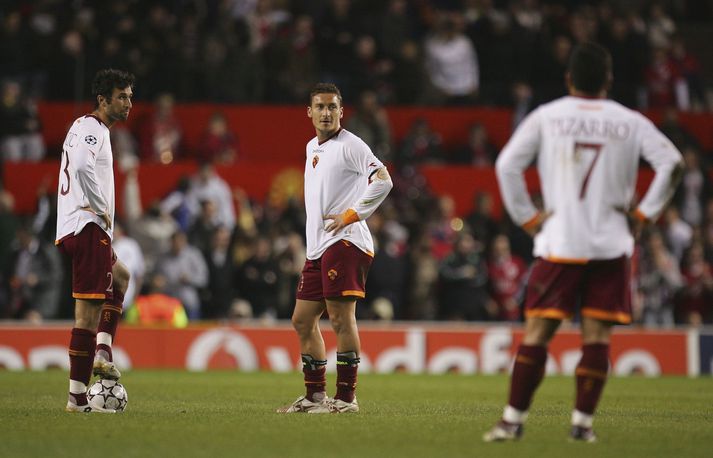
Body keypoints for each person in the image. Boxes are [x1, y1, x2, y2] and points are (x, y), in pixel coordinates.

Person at [484, 43, 684, 442]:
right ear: (608, 80)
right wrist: (645, 214)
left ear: (569, 78)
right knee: (597, 337)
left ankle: (511, 420)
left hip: (560, 241)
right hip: (612, 245)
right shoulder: (629, 121)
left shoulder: (548, 117)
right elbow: (673, 163)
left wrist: (527, 218)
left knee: (538, 333)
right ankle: (581, 425)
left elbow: (507, 165)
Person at [277, 83, 393, 414]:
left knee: (341, 318)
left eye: (332, 107)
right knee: (302, 320)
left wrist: (352, 214)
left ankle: (345, 399)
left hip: (346, 242)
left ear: (341, 112)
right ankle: (315, 397)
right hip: (319, 246)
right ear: (309, 112)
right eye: (320, 107)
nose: (326, 113)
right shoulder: (311, 146)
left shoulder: (351, 145)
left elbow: (383, 179)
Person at [55, 69, 135, 413]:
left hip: (76, 226)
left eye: (130, 96)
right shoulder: (92, 129)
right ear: (103, 100)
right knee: (86, 315)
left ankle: (103, 349)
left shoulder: (81, 127)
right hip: (88, 228)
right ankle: (77, 398)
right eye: (122, 97)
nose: (129, 103)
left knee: (122, 276)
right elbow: (85, 169)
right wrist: (102, 210)